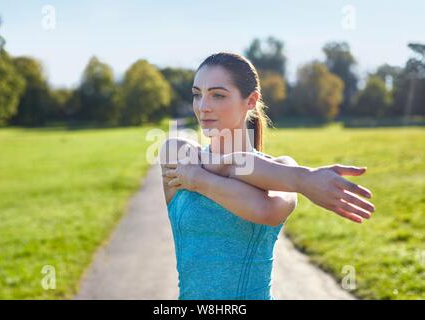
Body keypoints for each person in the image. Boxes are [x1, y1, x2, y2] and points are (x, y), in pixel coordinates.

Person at [159, 52, 375, 300]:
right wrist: (302, 179)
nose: (202, 106)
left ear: (251, 101)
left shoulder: (284, 168)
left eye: (217, 95)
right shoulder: (177, 152)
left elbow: (263, 211)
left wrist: (198, 179)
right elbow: (236, 165)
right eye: (198, 94)